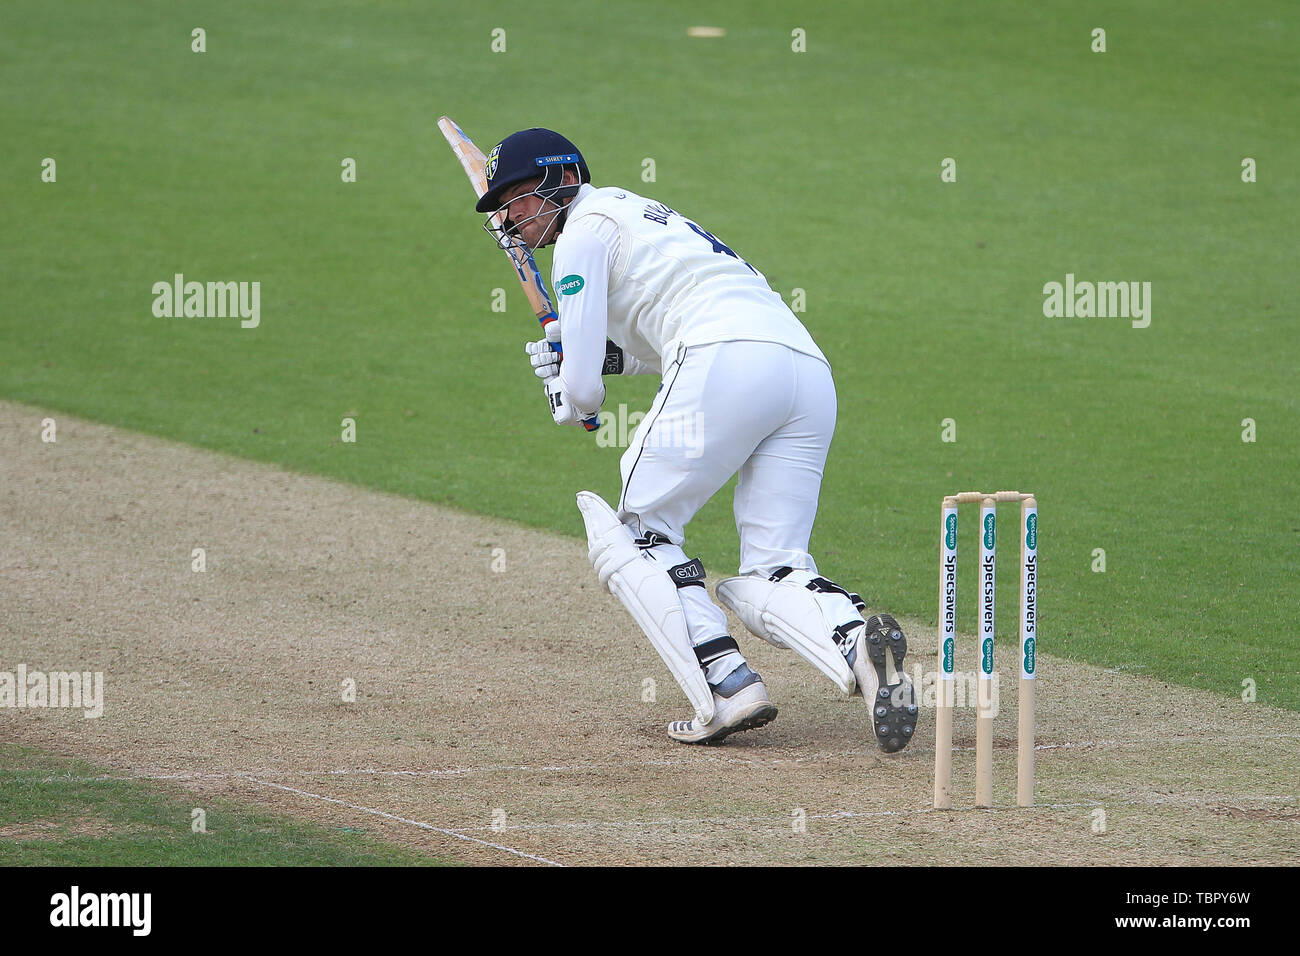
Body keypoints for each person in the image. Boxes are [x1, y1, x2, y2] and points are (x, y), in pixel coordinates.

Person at [473, 128, 917, 750]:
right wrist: (598, 361)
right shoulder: (633, 212)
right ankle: (858, 647)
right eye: (501, 207)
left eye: (516, 198)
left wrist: (569, 394)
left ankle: (728, 685)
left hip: (722, 359)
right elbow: (661, 333)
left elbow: (582, 395)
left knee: (636, 532)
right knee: (776, 564)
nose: (510, 217)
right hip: (802, 371)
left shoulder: (580, 234)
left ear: (560, 179)